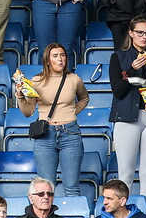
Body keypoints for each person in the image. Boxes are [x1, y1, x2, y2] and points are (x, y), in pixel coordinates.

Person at [108, 17, 146, 208]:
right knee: (125, 174)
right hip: (127, 117)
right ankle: (123, 215)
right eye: (140, 32)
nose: (144, 36)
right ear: (131, 33)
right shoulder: (118, 57)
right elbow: (118, 91)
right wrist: (132, 69)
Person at [15, 44, 90, 196]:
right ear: (47, 61)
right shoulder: (36, 81)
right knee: (46, 189)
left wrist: (71, 112)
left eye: (62, 55)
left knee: (72, 187)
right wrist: (20, 96)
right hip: (45, 135)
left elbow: (84, 98)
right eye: (55, 56)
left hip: (70, 133)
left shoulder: (74, 79)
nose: (60, 59)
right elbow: (28, 112)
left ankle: (72, 213)